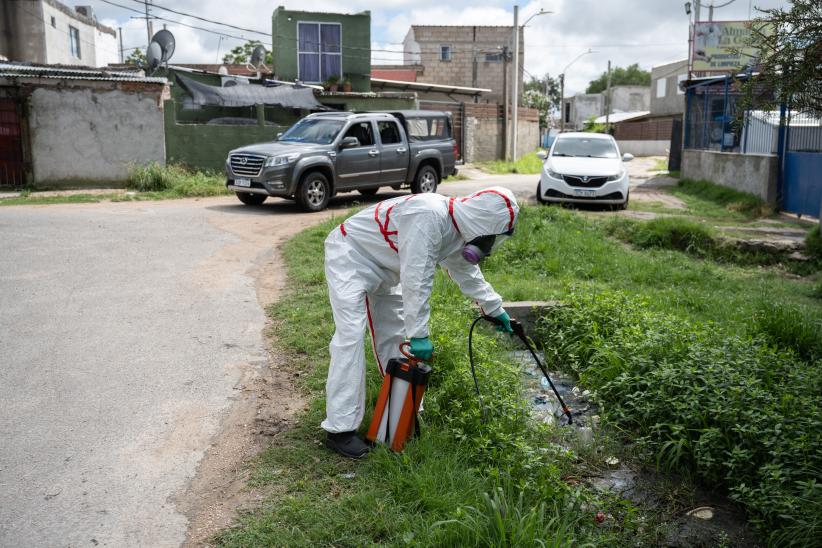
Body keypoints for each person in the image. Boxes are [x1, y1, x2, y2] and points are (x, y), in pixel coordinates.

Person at [322, 187, 519, 458]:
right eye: (493, 236)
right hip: (352, 257)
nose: (490, 244)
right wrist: (420, 334)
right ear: (482, 223)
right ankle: (340, 429)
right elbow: (417, 278)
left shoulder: (457, 228)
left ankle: (401, 416)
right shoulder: (428, 215)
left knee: (395, 337)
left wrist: (494, 308)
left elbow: (464, 270)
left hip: (390, 268)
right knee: (351, 336)